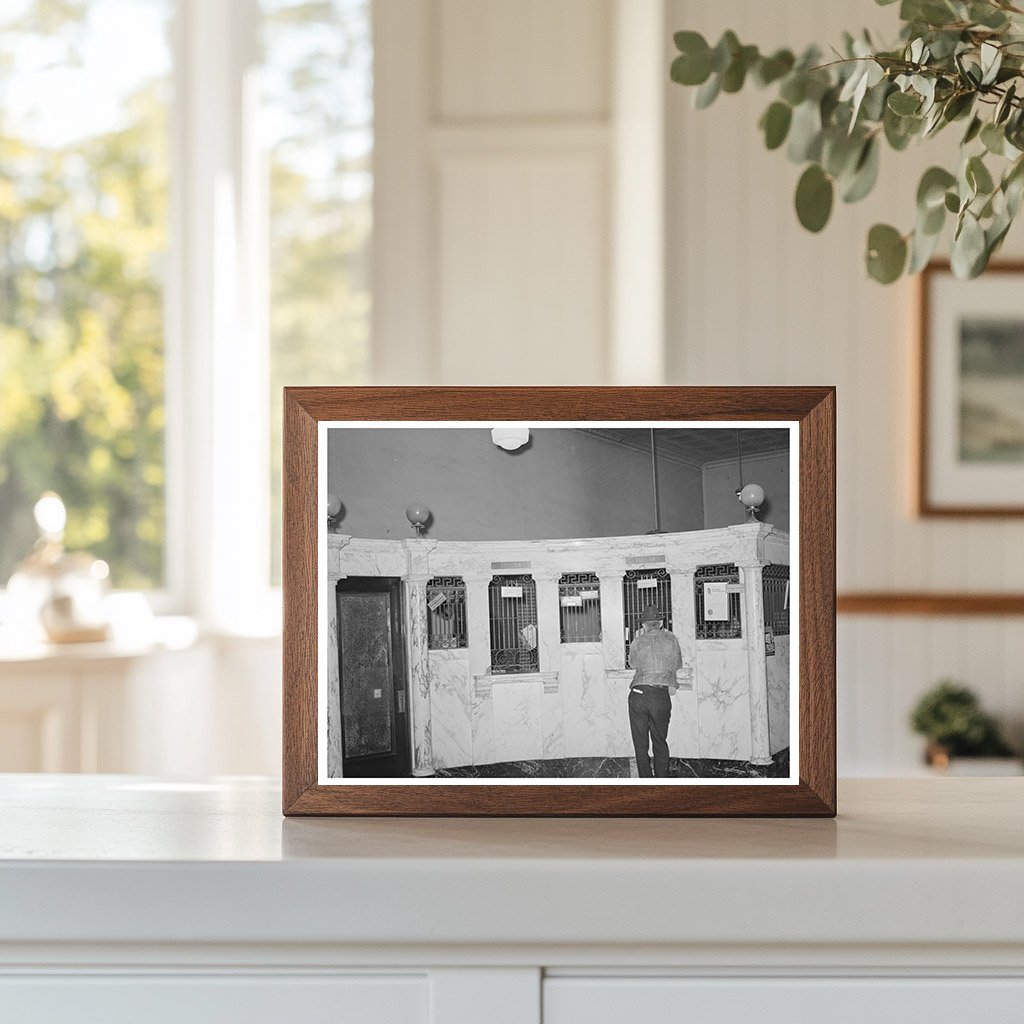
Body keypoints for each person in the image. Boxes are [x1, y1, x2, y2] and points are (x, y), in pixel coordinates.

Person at [627, 603, 682, 778]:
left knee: (640, 744)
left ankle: (646, 781)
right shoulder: (672, 640)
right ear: (661, 623)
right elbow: (677, 664)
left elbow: (632, 664)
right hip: (660, 696)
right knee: (660, 741)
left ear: (644, 625)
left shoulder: (638, 641)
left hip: (639, 694)